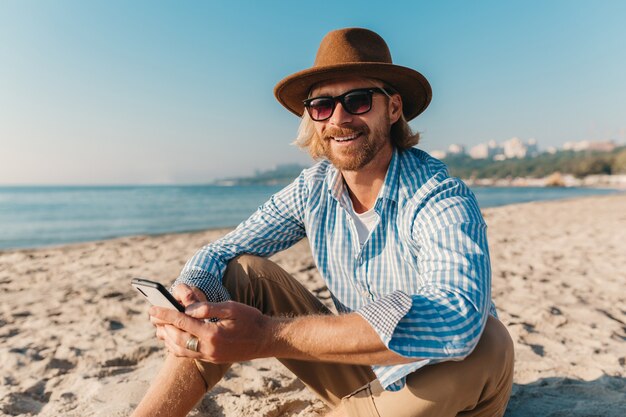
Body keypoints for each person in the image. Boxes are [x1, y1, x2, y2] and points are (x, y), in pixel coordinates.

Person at [132, 27, 514, 417]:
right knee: (244, 272)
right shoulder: (313, 189)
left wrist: (266, 335)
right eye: (322, 106)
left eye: (358, 100)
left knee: (489, 341)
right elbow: (225, 249)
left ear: (393, 108)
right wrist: (188, 297)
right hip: (359, 373)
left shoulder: (439, 196)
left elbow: (455, 318)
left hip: (446, 389)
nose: (339, 118)